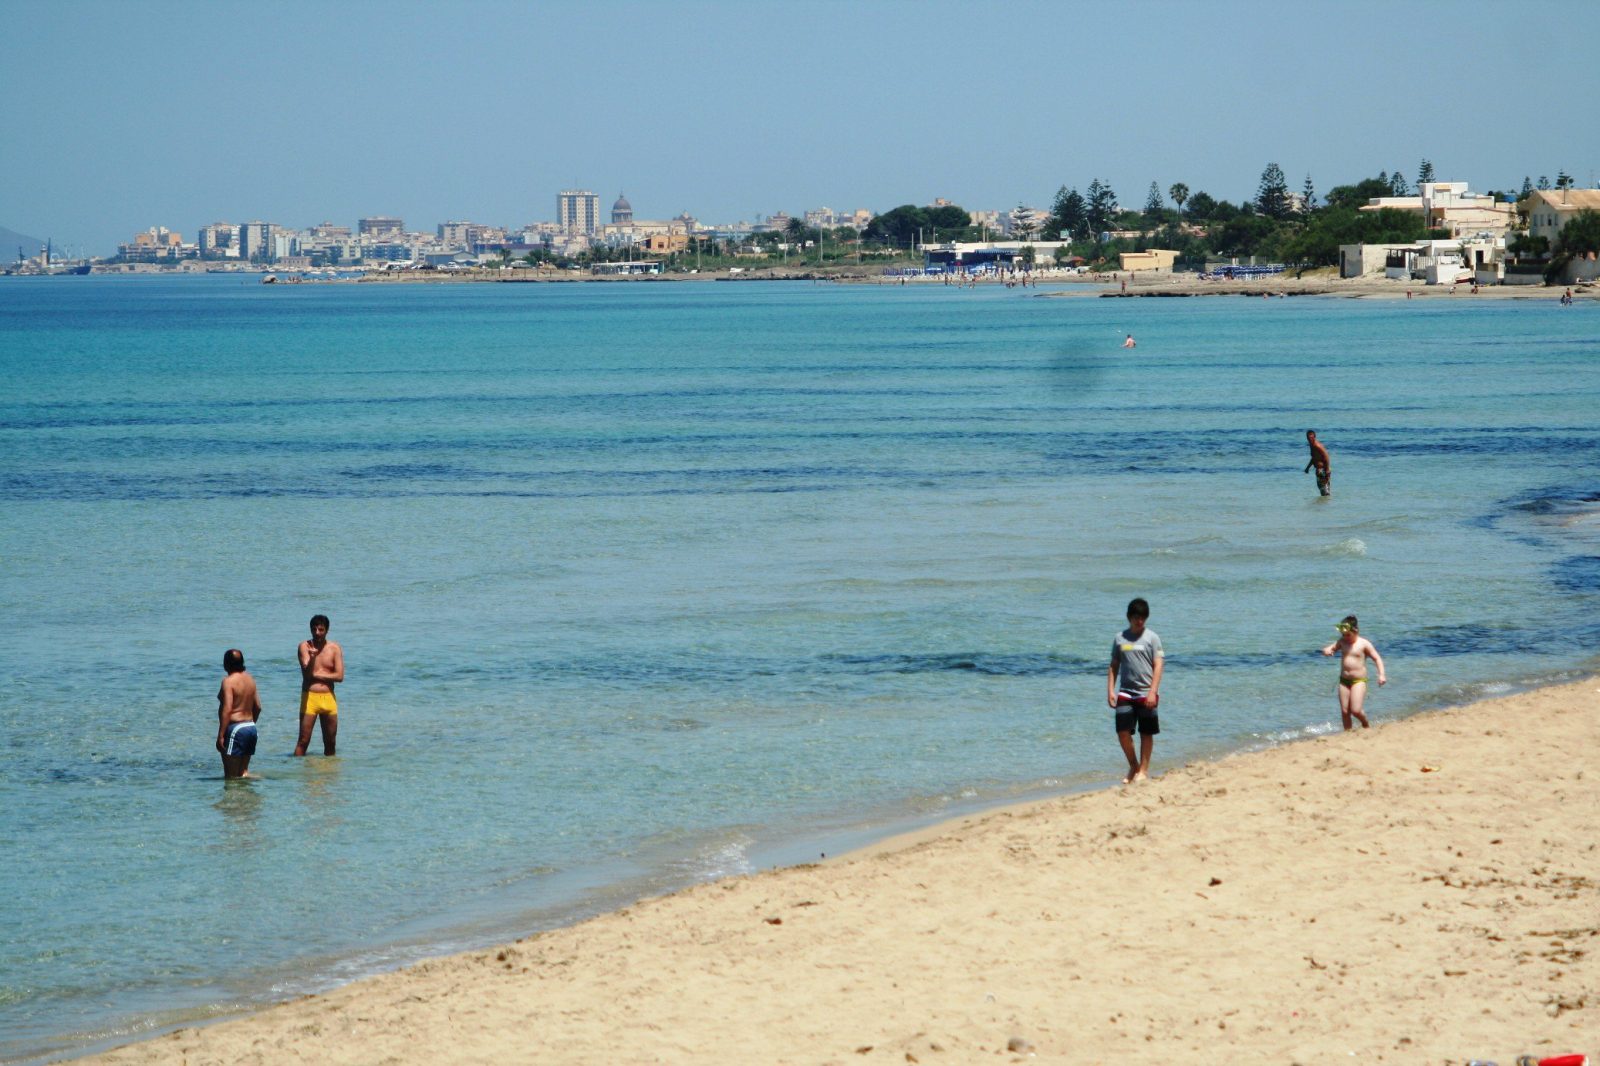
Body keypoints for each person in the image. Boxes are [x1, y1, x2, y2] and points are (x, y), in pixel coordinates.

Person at [1107, 597, 1164, 784]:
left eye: (1143, 618)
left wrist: (1153, 691)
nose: (1140, 621)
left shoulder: (1152, 638)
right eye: (1136, 617)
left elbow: (1158, 664)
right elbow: (1114, 665)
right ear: (1129, 617)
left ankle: (1143, 771)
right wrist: (1110, 690)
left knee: (1146, 732)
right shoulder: (1119, 638)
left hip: (1146, 691)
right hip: (1125, 691)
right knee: (1122, 731)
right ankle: (1134, 766)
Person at [1321, 615, 1386, 730]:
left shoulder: (1364, 644)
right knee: (1345, 711)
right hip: (1344, 681)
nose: (1345, 637)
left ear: (1356, 631)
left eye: (1348, 635)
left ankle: (1365, 723)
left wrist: (1381, 675)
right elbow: (1329, 649)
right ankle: (1348, 732)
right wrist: (1326, 651)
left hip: (1358, 681)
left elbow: (1377, 658)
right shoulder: (1342, 642)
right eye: (1343, 635)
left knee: (1355, 710)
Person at [295, 613, 344, 756]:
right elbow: (307, 675)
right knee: (303, 741)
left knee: (331, 742)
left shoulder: (334, 648)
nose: (317, 633)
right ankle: (297, 768)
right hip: (310, 697)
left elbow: (339, 676)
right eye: (314, 629)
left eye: (321, 629)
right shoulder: (304, 646)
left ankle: (330, 769)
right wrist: (312, 658)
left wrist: (317, 675)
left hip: (329, 698)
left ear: (327, 630)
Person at [217, 648, 262, 779]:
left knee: (231, 777)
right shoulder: (250, 679)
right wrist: (249, 725)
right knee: (243, 773)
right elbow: (258, 707)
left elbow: (227, 708)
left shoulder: (228, 681)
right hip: (251, 728)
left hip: (235, 729)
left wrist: (221, 735)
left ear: (226, 664)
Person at [1304, 429, 1331, 497]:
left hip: (1323, 470)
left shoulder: (1317, 445)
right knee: (1323, 492)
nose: (1309, 439)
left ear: (1314, 437)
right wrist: (1308, 468)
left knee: (1325, 493)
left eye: (1311, 438)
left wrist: (1327, 469)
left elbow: (1326, 456)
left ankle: (1326, 504)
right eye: (1308, 438)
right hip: (1319, 471)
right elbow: (1314, 458)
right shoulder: (1312, 445)